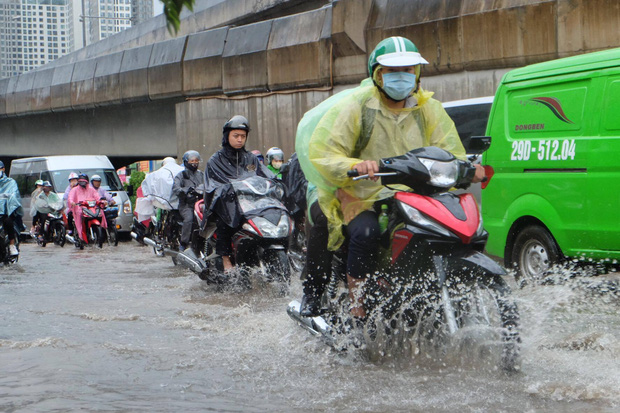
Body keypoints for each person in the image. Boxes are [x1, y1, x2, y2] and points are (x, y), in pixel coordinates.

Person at [299, 36, 485, 320]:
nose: (402, 77)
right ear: (377, 74)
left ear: (417, 73)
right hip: (363, 194)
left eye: (409, 70)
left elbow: (450, 149)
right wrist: (358, 166)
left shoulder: (428, 108)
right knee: (366, 233)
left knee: (451, 231)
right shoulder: (358, 107)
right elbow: (326, 152)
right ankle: (357, 307)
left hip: (418, 192)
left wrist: (466, 168)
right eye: (392, 71)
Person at [205, 115, 269, 272]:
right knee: (224, 221)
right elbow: (213, 184)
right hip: (228, 204)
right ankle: (226, 259)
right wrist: (227, 190)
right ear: (227, 136)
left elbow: (264, 176)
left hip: (250, 203)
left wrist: (275, 183)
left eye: (243, 136)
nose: (240, 139)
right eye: (236, 136)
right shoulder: (216, 160)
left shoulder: (251, 158)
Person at [172, 150, 204, 252]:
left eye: (196, 160)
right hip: (187, 205)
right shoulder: (181, 175)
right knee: (189, 219)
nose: (194, 163)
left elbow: (209, 185)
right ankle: (183, 243)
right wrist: (186, 190)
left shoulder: (202, 175)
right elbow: (176, 189)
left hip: (200, 204)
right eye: (192, 160)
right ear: (186, 162)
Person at [68, 173, 107, 243]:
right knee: (79, 214)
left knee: (101, 211)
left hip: (91, 208)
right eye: (81, 182)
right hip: (79, 209)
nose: (83, 183)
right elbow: (70, 197)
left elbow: (97, 196)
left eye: (84, 182)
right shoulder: (74, 190)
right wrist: (72, 202)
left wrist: (101, 201)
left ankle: (103, 230)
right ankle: (80, 235)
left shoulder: (91, 190)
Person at [0, 160, 23, 256]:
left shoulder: (11, 182)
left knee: (8, 222)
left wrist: (8, 198)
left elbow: (14, 195)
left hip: (7, 211)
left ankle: (11, 244)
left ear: (3, 169)